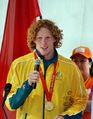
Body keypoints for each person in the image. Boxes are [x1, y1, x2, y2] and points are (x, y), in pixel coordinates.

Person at [5, 19, 87, 119]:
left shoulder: (70, 67)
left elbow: (81, 101)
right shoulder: (18, 64)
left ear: (55, 39)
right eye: (39, 38)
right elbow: (11, 104)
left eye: (48, 38)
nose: (43, 43)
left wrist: (66, 117)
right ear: (34, 40)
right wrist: (27, 85)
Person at [70, 46, 93, 119]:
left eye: (82, 61)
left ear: (90, 64)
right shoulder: (67, 81)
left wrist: (73, 103)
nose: (78, 64)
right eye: (75, 61)